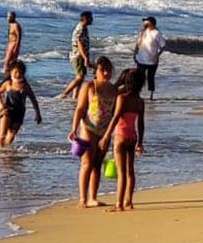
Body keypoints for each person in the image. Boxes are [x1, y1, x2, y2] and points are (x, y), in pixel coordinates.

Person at [69, 56, 116, 209]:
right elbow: (81, 109)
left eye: (109, 70)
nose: (107, 73)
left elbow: (115, 112)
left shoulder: (113, 89)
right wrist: (73, 129)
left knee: (97, 164)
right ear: (96, 71)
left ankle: (93, 197)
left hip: (105, 130)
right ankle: (83, 198)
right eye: (103, 70)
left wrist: (112, 132)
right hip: (88, 128)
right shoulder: (89, 86)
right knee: (87, 163)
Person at [100, 68, 146, 212]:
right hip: (133, 137)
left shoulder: (122, 98)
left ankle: (119, 204)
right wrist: (140, 142)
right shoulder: (140, 101)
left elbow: (115, 117)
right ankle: (129, 202)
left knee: (121, 173)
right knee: (130, 171)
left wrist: (106, 135)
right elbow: (141, 123)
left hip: (120, 136)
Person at [0, 60, 41, 148]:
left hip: (19, 113)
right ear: (11, 72)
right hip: (7, 111)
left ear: (23, 73)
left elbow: (33, 100)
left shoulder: (25, 86)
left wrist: (38, 113)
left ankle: (4, 149)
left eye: (20, 72)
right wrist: (0, 104)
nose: (17, 74)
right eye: (15, 72)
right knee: (2, 134)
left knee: (11, 136)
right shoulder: (8, 84)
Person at [60, 11, 93, 99]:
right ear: (85, 19)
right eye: (90, 18)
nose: (92, 20)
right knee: (80, 77)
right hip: (78, 56)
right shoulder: (81, 28)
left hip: (80, 55)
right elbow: (80, 44)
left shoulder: (84, 28)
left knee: (80, 78)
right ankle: (64, 94)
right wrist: (85, 58)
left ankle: (75, 97)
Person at [134, 16, 166, 100]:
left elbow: (163, 46)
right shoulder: (142, 32)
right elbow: (138, 44)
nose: (144, 23)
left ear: (151, 23)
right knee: (139, 78)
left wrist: (157, 55)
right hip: (141, 59)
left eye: (146, 22)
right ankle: (138, 94)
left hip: (152, 60)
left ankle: (151, 96)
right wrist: (135, 53)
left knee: (150, 78)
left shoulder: (157, 33)